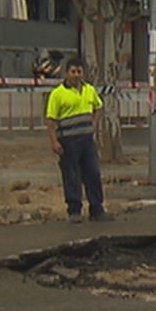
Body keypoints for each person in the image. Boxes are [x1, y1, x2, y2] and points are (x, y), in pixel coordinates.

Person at [45, 57, 110, 223]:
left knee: (93, 173)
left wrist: (93, 124)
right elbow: (50, 120)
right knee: (71, 176)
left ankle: (97, 209)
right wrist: (54, 141)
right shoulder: (57, 94)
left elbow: (98, 107)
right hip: (68, 142)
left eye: (79, 72)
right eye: (73, 72)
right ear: (66, 74)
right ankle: (74, 210)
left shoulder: (89, 90)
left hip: (87, 141)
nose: (76, 75)